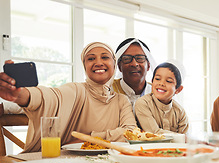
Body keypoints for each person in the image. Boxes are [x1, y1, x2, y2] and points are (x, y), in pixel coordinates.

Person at [0, 42, 137, 153]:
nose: (98, 62)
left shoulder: (121, 100)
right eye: (90, 58)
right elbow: (50, 97)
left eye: (105, 57)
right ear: (85, 66)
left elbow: (130, 132)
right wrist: (20, 94)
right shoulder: (76, 90)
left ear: (114, 64)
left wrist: (89, 138)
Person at [134, 62, 189, 134]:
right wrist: (179, 137)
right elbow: (154, 133)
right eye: (157, 79)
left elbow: (183, 140)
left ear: (178, 89)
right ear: (152, 81)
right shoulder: (143, 103)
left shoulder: (180, 112)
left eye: (168, 81)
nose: (161, 83)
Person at [113, 38, 156, 106]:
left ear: (148, 65)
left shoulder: (157, 93)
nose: (134, 64)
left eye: (140, 58)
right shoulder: (108, 91)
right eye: (127, 59)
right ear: (118, 66)